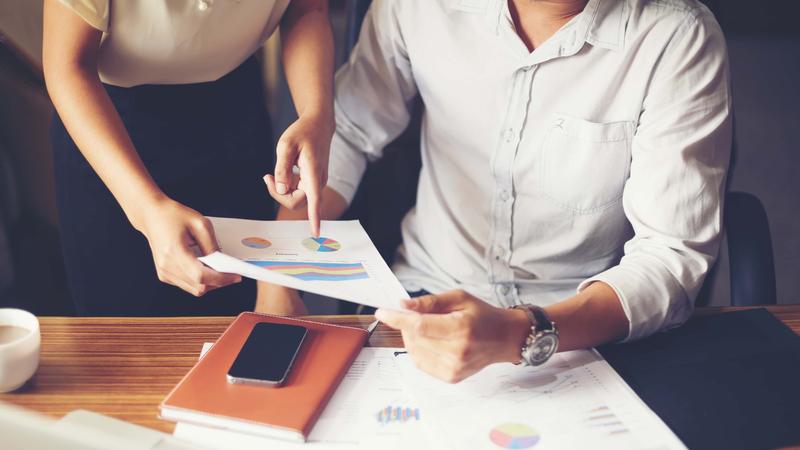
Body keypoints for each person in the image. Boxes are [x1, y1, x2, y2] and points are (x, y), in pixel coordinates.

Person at [261, 0, 732, 382]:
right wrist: (277, 272)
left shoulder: (676, 36)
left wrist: (521, 332)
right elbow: (344, 136)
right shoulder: (417, 8)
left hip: (582, 326)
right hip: (426, 298)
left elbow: (669, 255)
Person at [43, 0, 334, 315]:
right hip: (109, 128)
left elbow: (307, 10)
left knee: (242, 324)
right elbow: (67, 65)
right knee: (124, 333)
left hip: (234, 115)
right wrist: (147, 209)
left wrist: (317, 113)